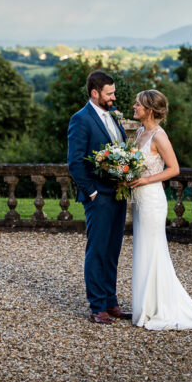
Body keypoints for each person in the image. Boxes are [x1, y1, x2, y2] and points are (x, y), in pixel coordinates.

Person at [128, 90, 192, 334]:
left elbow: (173, 169)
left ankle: (158, 307)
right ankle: (145, 305)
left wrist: (146, 181)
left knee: (154, 250)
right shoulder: (140, 133)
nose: (134, 106)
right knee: (143, 249)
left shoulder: (158, 135)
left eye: (138, 104)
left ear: (149, 109)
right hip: (139, 199)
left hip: (152, 198)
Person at [67, 70, 131, 324]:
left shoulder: (113, 116)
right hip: (99, 196)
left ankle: (111, 302)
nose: (114, 97)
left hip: (118, 194)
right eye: (110, 93)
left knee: (113, 250)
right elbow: (74, 163)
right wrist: (92, 192)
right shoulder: (80, 119)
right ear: (95, 93)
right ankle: (97, 307)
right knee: (97, 251)